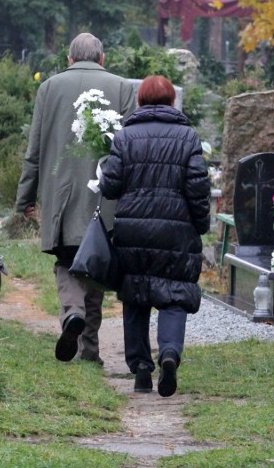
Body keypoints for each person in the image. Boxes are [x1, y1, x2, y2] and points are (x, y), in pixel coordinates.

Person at [15, 33, 135, 364]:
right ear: (103, 57)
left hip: (62, 195)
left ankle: (72, 311)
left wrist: (24, 198)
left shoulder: (49, 88)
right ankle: (89, 351)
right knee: (95, 265)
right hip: (105, 196)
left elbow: (34, 151)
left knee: (67, 262)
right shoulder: (124, 88)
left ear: (69, 59)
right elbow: (131, 146)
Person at [99, 75, 210, 396]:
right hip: (177, 230)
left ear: (141, 101)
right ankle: (170, 353)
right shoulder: (188, 137)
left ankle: (141, 368)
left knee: (136, 296)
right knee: (174, 296)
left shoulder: (125, 136)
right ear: (173, 101)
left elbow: (110, 186)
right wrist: (199, 225)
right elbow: (198, 189)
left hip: (132, 229)